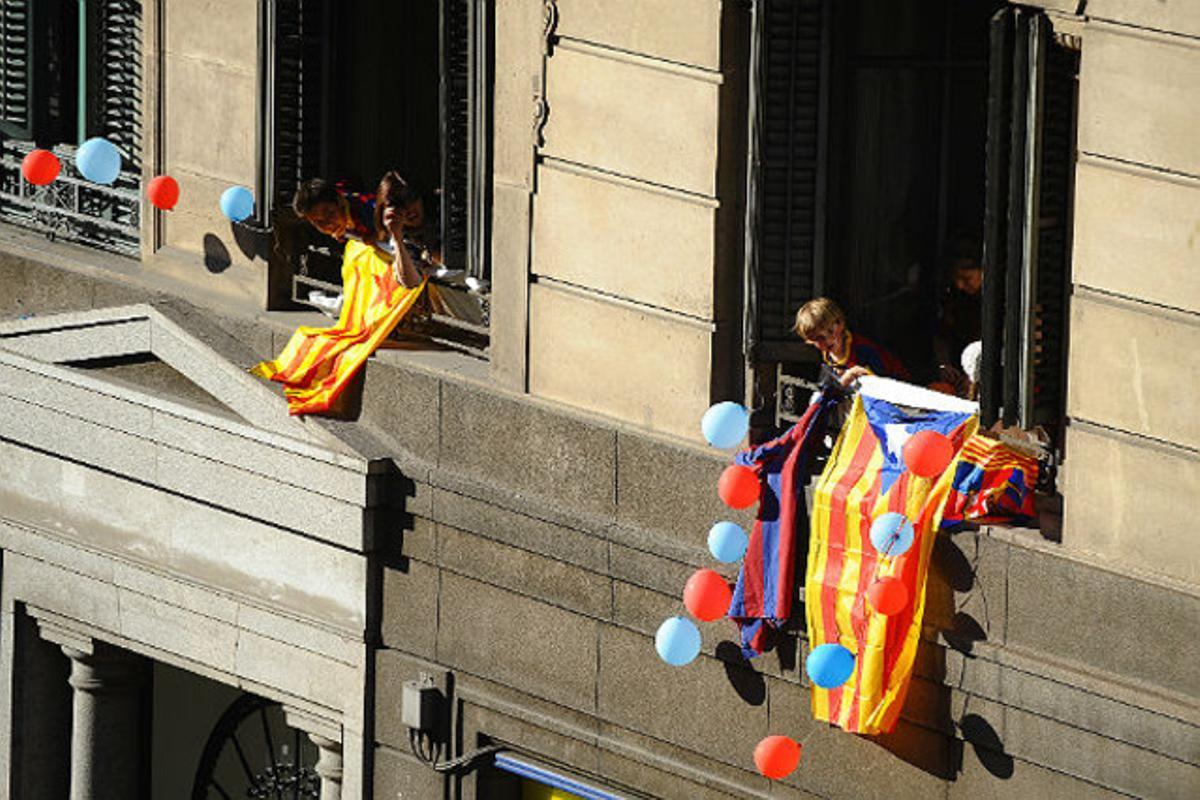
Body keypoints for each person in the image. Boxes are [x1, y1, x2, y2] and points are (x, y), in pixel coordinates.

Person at [794, 297, 909, 389]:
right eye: (819, 338)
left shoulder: (863, 349)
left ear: (840, 323)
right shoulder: (827, 355)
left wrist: (852, 375)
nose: (828, 339)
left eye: (830, 331)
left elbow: (881, 382)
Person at [934, 248, 983, 395]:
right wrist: (944, 365)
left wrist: (975, 375)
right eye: (956, 279)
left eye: (967, 278)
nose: (960, 285)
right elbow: (941, 334)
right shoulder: (955, 297)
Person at [292, 178, 382, 247]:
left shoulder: (372, 211)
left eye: (330, 214)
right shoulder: (344, 226)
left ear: (340, 201)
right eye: (319, 222)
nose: (328, 224)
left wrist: (378, 237)